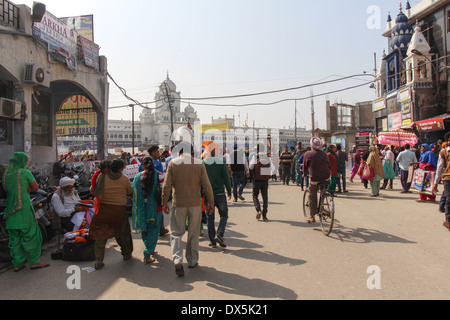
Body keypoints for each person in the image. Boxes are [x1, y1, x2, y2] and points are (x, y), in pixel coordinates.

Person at [161, 142, 214, 277]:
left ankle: (177, 260)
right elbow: (207, 186)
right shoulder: (199, 164)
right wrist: (211, 203)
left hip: (178, 203)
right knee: (193, 233)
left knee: (176, 233)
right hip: (195, 204)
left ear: (178, 152)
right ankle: (192, 260)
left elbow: (167, 185)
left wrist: (164, 202)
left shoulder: (173, 164)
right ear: (192, 152)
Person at [1, 152, 49, 272]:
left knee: (15, 238)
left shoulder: (6, 174)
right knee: (31, 235)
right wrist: (28, 188)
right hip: (24, 207)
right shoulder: (24, 172)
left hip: (11, 208)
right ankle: (34, 262)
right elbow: (36, 188)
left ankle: (17, 263)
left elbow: (6, 189)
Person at [89, 159, 133, 270]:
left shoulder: (102, 177)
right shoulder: (124, 179)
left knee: (100, 234)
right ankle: (127, 254)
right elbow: (129, 191)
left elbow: (93, 190)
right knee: (123, 233)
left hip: (103, 209)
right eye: (123, 167)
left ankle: (99, 260)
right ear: (119, 169)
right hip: (119, 210)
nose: (124, 169)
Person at [132, 156, 165, 264]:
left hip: (141, 208)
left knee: (144, 228)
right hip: (155, 207)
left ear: (143, 165)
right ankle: (147, 253)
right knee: (154, 229)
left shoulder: (137, 177)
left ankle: (149, 247)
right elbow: (163, 192)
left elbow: (134, 193)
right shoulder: (160, 176)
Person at [202, 142, 232, 248]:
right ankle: (219, 234)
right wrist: (229, 190)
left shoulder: (204, 162)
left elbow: (201, 180)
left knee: (210, 217)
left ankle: (212, 241)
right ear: (213, 150)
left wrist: (202, 192)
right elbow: (226, 178)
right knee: (224, 215)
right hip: (220, 193)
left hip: (208, 195)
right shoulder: (221, 162)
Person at [303, 138, 331, 223]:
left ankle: (312, 216)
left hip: (314, 178)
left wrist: (304, 174)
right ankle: (322, 206)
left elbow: (305, 167)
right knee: (322, 190)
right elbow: (329, 166)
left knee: (312, 196)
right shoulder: (324, 154)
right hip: (326, 177)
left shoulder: (308, 154)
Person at [249, 144, 276, 221]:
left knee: (255, 195)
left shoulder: (256, 157)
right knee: (265, 198)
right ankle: (264, 215)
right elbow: (273, 168)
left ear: (257, 150)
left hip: (256, 180)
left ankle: (258, 210)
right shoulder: (267, 157)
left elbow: (251, 167)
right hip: (265, 180)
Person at [435, 133, 450, 230]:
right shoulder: (443, 152)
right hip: (448, 178)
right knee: (449, 199)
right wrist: (436, 182)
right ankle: (448, 220)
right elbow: (439, 167)